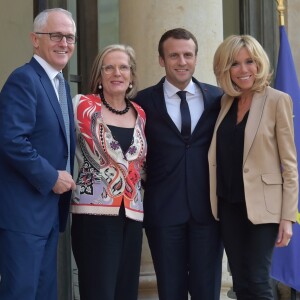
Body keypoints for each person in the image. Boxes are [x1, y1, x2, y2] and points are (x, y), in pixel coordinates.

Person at [135, 28, 224, 300]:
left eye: (188, 55)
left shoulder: (219, 99)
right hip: (163, 213)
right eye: (173, 55)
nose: (181, 61)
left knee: (207, 291)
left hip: (208, 214)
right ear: (161, 60)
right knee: (169, 292)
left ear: (197, 58)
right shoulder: (141, 103)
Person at [209, 34, 299, 300]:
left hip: (264, 207)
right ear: (225, 69)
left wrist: (287, 217)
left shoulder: (276, 100)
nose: (243, 69)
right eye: (235, 64)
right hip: (228, 205)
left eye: (249, 61)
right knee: (241, 283)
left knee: (258, 281)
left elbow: (290, 164)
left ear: (259, 63)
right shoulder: (224, 103)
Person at [0, 8, 77, 300]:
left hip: (47, 212)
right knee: (21, 293)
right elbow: (11, 140)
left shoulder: (59, 84)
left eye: (70, 37)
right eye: (56, 35)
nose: (64, 43)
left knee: (44, 293)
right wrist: (50, 176)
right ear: (35, 39)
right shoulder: (24, 79)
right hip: (23, 214)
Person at [71, 44, 147, 300]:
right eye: (109, 67)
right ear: (99, 75)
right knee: (98, 291)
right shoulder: (81, 105)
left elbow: (141, 165)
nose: (117, 73)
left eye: (123, 67)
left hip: (133, 215)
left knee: (126, 292)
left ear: (132, 76)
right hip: (94, 214)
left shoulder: (141, 114)